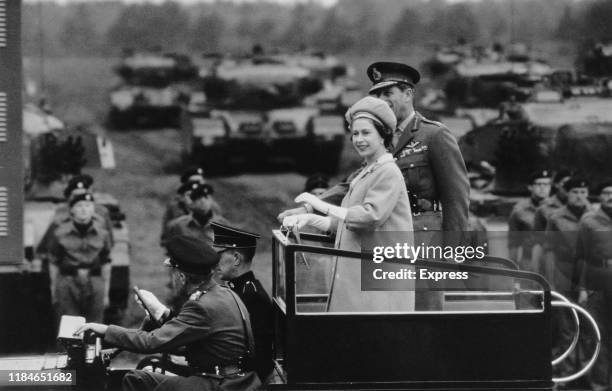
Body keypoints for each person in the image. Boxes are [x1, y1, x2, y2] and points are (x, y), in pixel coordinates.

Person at [279, 62, 469, 310]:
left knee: (424, 323)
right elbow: (350, 186)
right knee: (384, 317)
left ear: (409, 93)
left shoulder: (433, 136)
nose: (382, 100)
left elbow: (456, 198)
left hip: (425, 244)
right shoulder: (377, 137)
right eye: (377, 94)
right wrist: (307, 210)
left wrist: (451, 254)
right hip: (384, 244)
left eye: (388, 93)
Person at [75, 235, 261, 391]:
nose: (172, 278)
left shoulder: (201, 305)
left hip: (218, 384)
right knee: (147, 370)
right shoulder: (223, 293)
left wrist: (104, 329)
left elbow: (151, 342)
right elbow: (189, 339)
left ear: (181, 276)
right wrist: (160, 316)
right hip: (236, 379)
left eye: (173, 273)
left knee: (134, 379)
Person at [283, 96, 414, 312]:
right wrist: (314, 220)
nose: (359, 139)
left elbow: (368, 217)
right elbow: (348, 222)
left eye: (366, 133)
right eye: (355, 133)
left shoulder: (388, 171)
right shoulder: (366, 172)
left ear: (383, 136)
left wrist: (321, 204)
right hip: (357, 279)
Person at [212, 222, 273, 382]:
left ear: (237, 259)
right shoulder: (240, 290)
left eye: (219, 256)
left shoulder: (251, 296)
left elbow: (258, 357)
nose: (215, 262)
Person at [544, 178, 591, 378]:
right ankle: (568, 372)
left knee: (590, 325)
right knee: (566, 326)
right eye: (575, 192)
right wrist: (549, 281)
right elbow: (548, 250)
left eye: (583, 191)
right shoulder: (556, 218)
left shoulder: (596, 216)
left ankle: (588, 372)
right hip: (563, 273)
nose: (579, 196)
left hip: (589, 276)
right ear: (567, 194)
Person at [44, 192, 112, 323]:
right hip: (68, 281)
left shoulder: (102, 234)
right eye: (79, 205)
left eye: (88, 205)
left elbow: (106, 263)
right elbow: (53, 263)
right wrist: (54, 290)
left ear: (93, 209)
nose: (83, 209)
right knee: (69, 327)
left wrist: (106, 293)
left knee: (95, 327)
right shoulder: (60, 233)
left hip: (95, 280)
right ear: (72, 210)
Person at [575, 179, 612, 391]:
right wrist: (581, 288)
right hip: (597, 281)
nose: (610, 197)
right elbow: (580, 256)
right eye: (606, 193)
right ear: (599, 197)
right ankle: (599, 384)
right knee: (599, 333)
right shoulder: (589, 221)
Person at [507, 170, 552, 272]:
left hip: (553, 261)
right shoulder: (519, 210)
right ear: (530, 187)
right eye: (539, 184)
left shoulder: (557, 209)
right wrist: (512, 271)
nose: (542, 188)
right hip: (528, 261)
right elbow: (513, 243)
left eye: (546, 184)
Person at [161, 167, 222, 241]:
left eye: (200, 181)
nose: (198, 185)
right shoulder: (175, 205)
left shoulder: (212, 205)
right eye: (194, 182)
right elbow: (166, 234)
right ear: (186, 184)